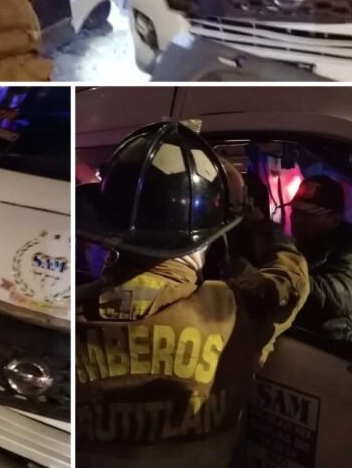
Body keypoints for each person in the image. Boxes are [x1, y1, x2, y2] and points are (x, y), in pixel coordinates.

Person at [76, 122, 309, 468]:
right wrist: (253, 222)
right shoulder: (235, 309)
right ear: (212, 236)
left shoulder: (71, 308)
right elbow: (293, 278)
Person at [290, 175, 352, 343]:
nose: (296, 220)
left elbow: (339, 298)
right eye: (295, 211)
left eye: (308, 215)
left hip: (337, 351)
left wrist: (282, 281)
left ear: (334, 219)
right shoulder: (300, 245)